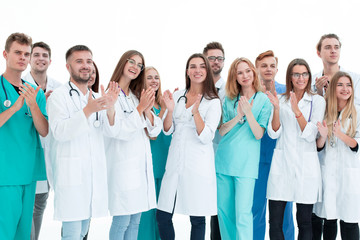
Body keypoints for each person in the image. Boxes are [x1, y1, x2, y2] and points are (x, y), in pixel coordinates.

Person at [47, 45, 120, 240]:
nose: (85, 66)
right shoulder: (58, 96)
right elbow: (59, 132)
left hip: (92, 177)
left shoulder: (96, 97)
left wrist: (111, 108)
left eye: (88, 61)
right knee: (71, 234)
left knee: (81, 233)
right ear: (68, 67)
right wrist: (87, 110)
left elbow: (110, 131)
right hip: (71, 176)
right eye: (79, 61)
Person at [157, 53, 221, 240]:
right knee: (163, 215)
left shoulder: (213, 101)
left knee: (197, 219)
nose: (197, 70)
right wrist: (168, 110)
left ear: (207, 71)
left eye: (202, 66)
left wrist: (195, 112)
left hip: (198, 165)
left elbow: (206, 136)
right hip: (175, 163)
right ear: (187, 71)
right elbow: (168, 130)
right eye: (193, 66)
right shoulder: (177, 96)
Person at [266, 58, 325, 240]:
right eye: (296, 74)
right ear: (290, 77)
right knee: (275, 222)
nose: (301, 78)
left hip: (306, 166)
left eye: (305, 74)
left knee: (304, 221)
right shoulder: (281, 100)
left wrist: (296, 110)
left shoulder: (317, 101)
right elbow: (274, 133)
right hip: (281, 165)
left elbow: (310, 135)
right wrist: (276, 109)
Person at [105, 50, 162, 240]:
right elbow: (117, 131)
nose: (135, 67)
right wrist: (140, 109)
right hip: (122, 168)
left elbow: (154, 131)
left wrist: (145, 109)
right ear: (122, 63)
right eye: (132, 62)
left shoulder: (136, 95)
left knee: (135, 221)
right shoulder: (111, 94)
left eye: (139, 65)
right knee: (122, 222)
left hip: (139, 170)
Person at [215, 57, 272, 239]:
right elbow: (222, 130)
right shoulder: (230, 98)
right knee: (225, 215)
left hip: (246, 165)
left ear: (253, 73)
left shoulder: (263, 99)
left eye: (247, 71)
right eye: (240, 72)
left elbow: (258, 134)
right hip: (224, 161)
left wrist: (248, 113)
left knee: (243, 215)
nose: (245, 75)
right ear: (235, 77)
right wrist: (238, 115)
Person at [0, 32, 48, 240]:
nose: (22, 57)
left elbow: (44, 130)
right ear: (5, 54)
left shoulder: (34, 92)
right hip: (5, 174)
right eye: (17, 52)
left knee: (22, 235)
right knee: (4, 232)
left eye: (26, 54)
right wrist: (15, 107)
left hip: (28, 173)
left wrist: (33, 106)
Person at [252, 50, 294, 240]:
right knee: (255, 209)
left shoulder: (287, 92)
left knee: (284, 213)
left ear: (277, 68)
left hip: (281, 158)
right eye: (264, 66)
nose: (268, 69)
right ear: (256, 68)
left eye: (272, 65)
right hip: (255, 159)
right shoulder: (250, 92)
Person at [313, 71, 360, 240]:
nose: (345, 89)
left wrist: (339, 134)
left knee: (350, 220)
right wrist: (324, 136)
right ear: (332, 88)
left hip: (348, 175)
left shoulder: (357, 112)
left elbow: (356, 145)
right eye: (340, 84)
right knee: (329, 218)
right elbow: (318, 147)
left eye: (348, 85)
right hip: (327, 173)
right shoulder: (325, 111)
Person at [23, 41, 62, 240]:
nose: (40, 59)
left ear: (50, 60)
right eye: (36, 55)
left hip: (49, 156)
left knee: (39, 205)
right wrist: (39, 105)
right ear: (29, 59)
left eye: (44, 55)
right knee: (26, 207)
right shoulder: (19, 84)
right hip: (26, 154)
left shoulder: (60, 88)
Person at [138, 67, 172, 240]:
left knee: (162, 213)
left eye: (156, 77)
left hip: (166, 162)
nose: (153, 81)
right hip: (149, 163)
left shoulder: (164, 103)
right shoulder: (141, 104)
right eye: (149, 78)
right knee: (147, 213)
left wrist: (169, 109)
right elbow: (151, 134)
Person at [203, 41, 225, 240]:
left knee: (221, 208)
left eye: (219, 58)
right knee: (203, 206)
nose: (216, 62)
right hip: (201, 155)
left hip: (224, 155)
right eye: (212, 58)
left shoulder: (230, 89)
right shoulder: (195, 89)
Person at [312, 34, 360, 104]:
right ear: (319, 53)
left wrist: (332, 97)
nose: (333, 51)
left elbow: (356, 109)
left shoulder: (356, 79)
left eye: (336, 47)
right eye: (328, 47)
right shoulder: (311, 82)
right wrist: (319, 94)